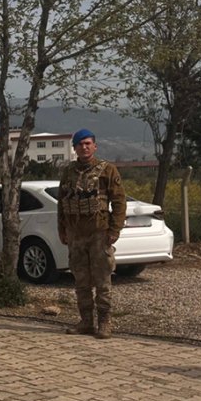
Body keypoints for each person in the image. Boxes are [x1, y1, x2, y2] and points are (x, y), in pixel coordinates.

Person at [58, 128, 126, 339]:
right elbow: (61, 202)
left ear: (94, 146)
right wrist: (62, 229)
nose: (84, 147)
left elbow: (119, 201)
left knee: (102, 279)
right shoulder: (68, 172)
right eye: (80, 144)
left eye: (88, 143)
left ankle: (104, 322)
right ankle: (86, 321)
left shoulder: (108, 170)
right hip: (75, 234)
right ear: (75, 148)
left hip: (99, 232)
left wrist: (114, 229)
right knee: (81, 280)